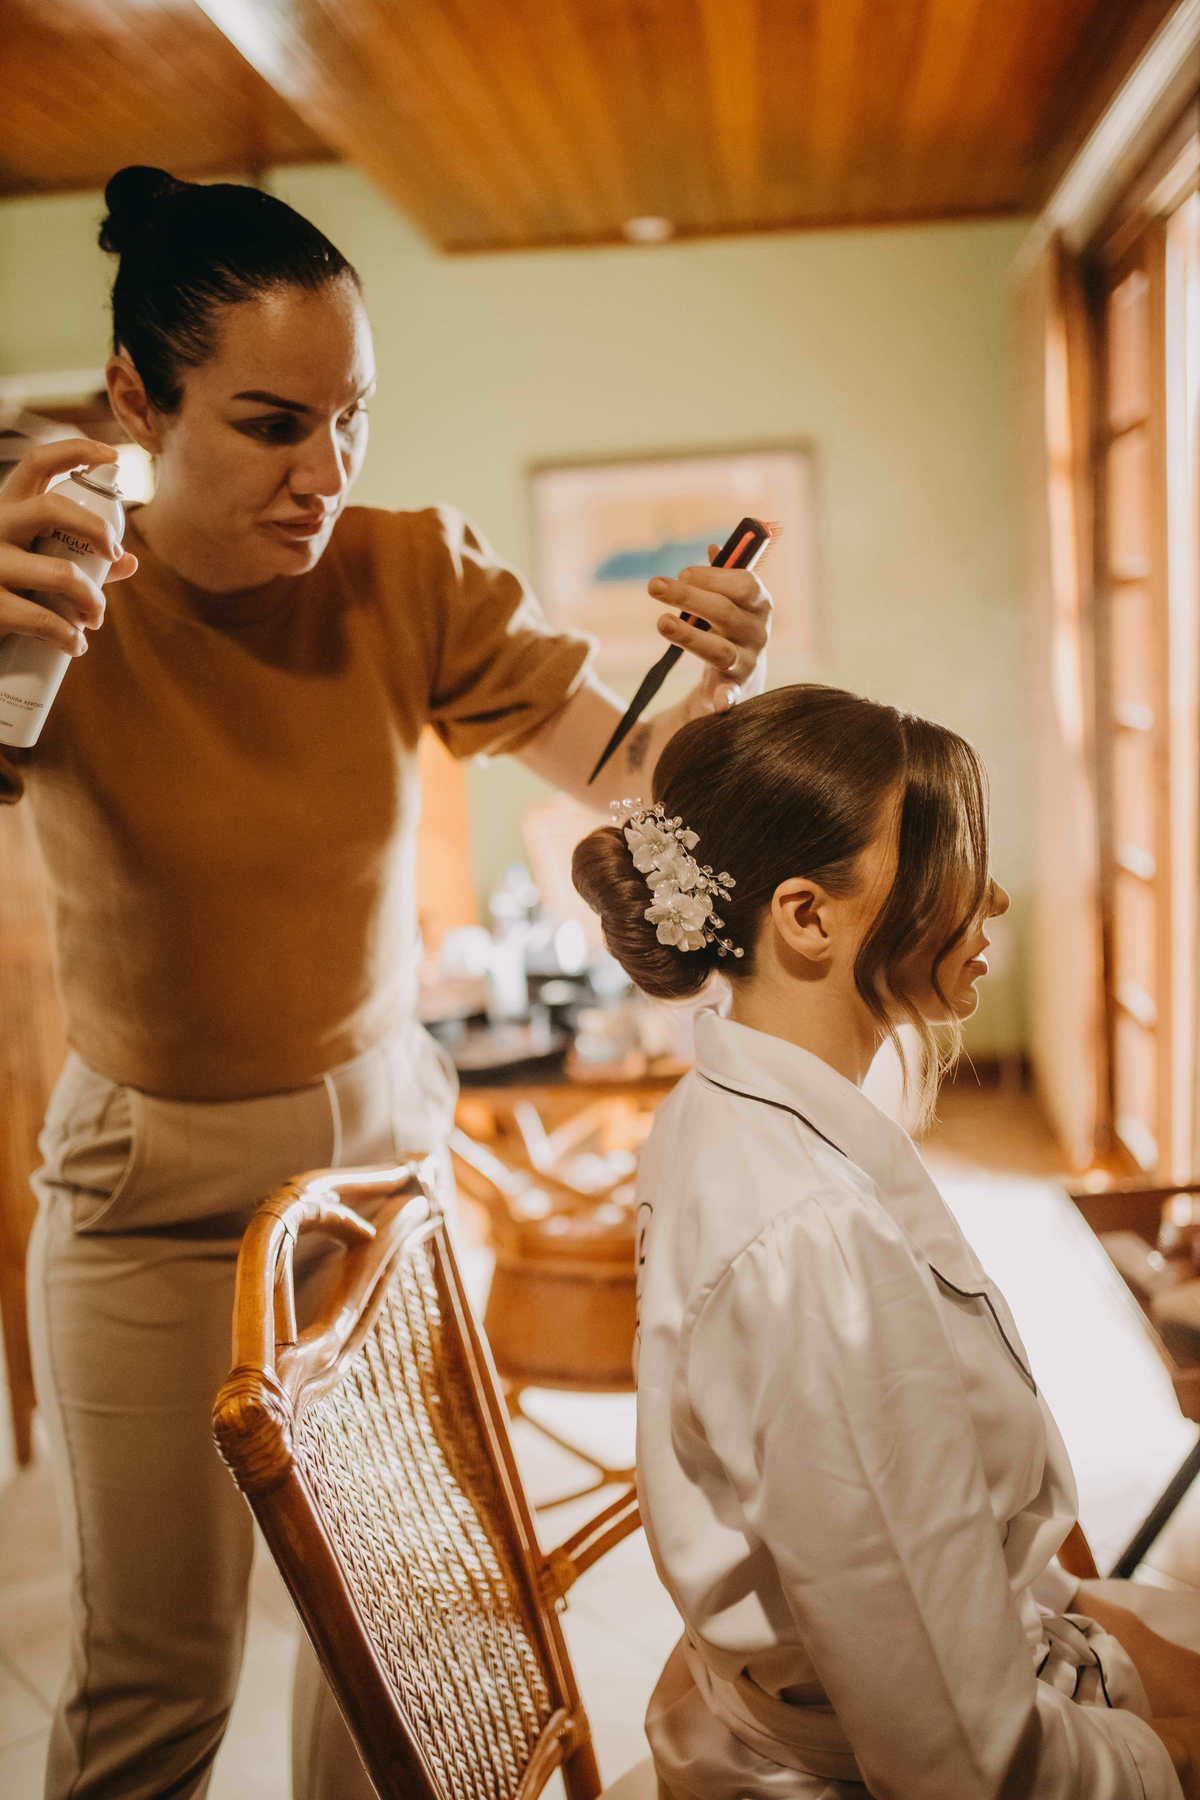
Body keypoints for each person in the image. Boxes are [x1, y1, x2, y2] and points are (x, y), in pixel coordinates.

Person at [0, 164, 773, 1800]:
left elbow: (638, 780)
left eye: (352, 418)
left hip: (374, 1169)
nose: (324, 474)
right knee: (152, 1687)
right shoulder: (57, 599)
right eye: (273, 423)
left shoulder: (407, 571)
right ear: (137, 397)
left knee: (397, 1658)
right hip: (145, 1200)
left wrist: (710, 683)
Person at [572, 682, 1200, 1800]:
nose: (993, 895)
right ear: (807, 917)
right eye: (950, 862)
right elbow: (960, 1760)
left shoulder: (721, 1101)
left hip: (947, 1658)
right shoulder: (812, 1248)